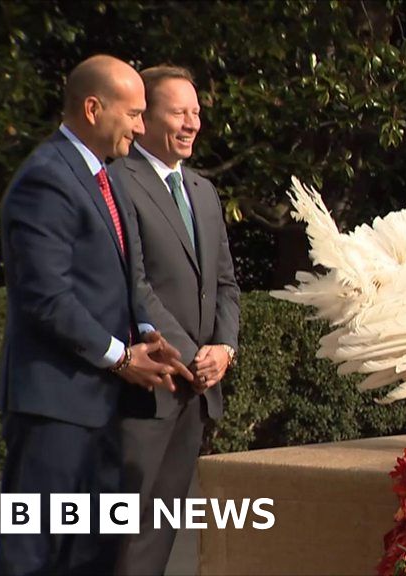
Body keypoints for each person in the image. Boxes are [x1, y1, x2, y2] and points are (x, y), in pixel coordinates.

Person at [0, 54, 192, 575]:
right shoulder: (45, 180)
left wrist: (147, 334)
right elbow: (47, 297)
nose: (140, 126)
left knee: (92, 555)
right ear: (91, 108)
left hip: (104, 409)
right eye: (132, 114)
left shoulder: (109, 178)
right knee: (35, 554)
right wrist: (121, 357)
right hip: (54, 408)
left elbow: (126, 277)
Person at [111, 65, 241, 575]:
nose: (191, 124)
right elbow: (134, 284)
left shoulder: (204, 192)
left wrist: (224, 349)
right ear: (145, 119)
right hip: (145, 393)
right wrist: (191, 355)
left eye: (197, 113)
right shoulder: (118, 183)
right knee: (121, 538)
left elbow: (227, 284)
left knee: (158, 538)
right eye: (178, 112)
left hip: (196, 395)